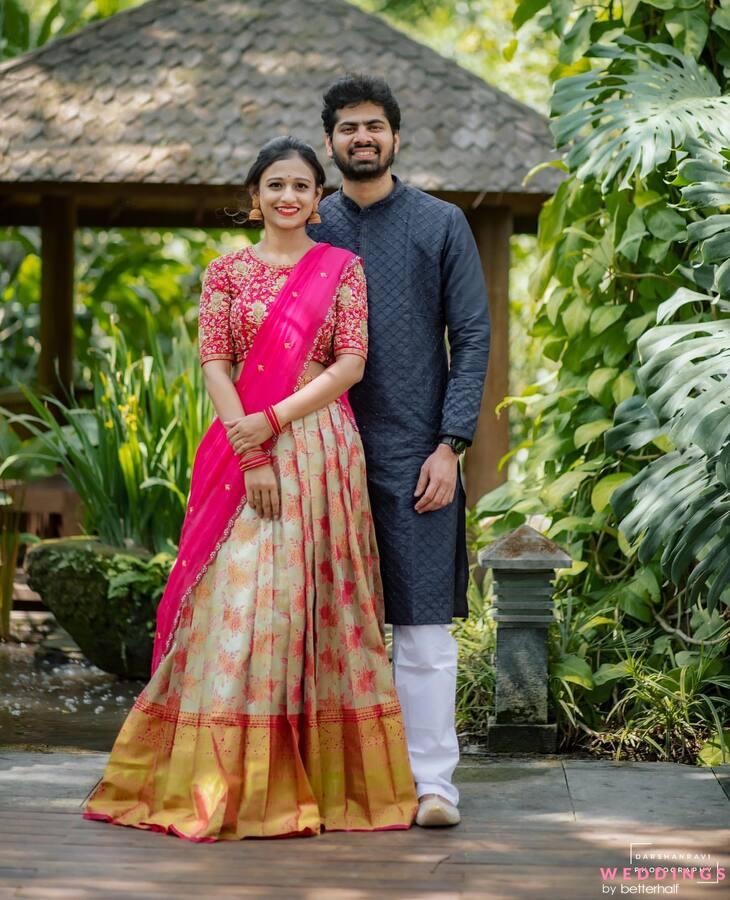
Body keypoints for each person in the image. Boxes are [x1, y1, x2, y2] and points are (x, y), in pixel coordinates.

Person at [83, 136, 418, 841]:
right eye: (275, 185)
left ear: (318, 199)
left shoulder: (342, 269)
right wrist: (251, 448)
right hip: (246, 453)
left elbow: (351, 363)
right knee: (240, 602)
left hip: (322, 449)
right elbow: (215, 364)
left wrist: (274, 419)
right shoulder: (225, 273)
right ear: (253, 197)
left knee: (312, 607)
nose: (289, 197)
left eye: (302, 186)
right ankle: (225, 781)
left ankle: (316, 783)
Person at [309, 76, 490, 827]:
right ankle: (323, 780)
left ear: (394, 137)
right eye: (348, 128)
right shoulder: (310, 228)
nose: (362, 138)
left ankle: (432, 786)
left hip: (418, 453)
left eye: (374, 126)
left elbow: (473, 336)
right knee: (318, 622)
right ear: (330, 142)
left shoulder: (441, 223)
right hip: (322, 452)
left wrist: (450, 444)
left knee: (420, 627)